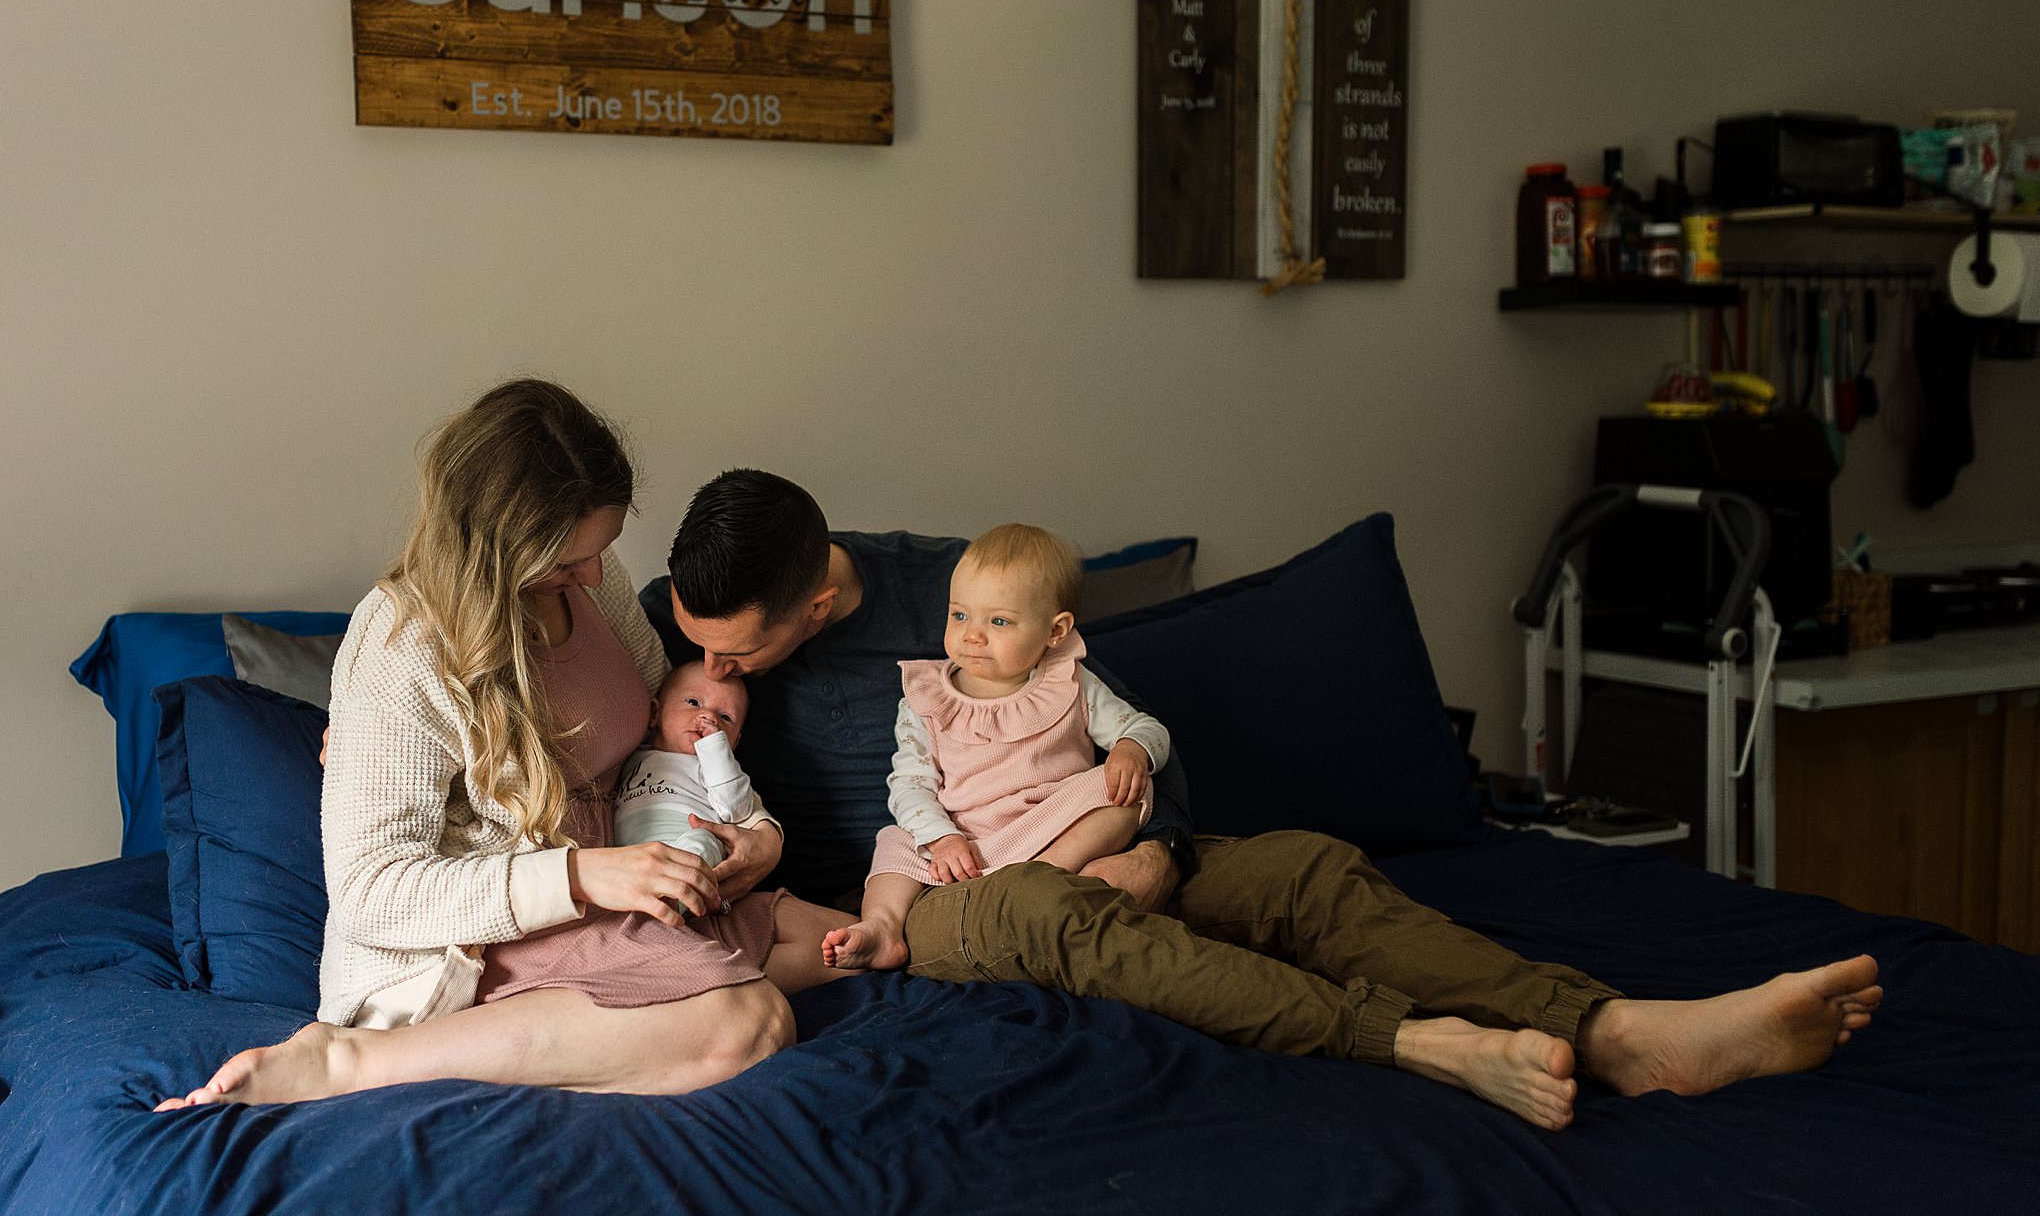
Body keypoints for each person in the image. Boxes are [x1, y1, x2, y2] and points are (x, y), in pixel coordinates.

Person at [646, 469, 1884, 1132]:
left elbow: (1126, 736)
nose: (714, 669)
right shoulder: (682, 629)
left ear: (813, 599)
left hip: (1089, 834)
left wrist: (1152, 842)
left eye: (739, 651)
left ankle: (1615, 1029)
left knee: (1301, 867)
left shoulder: (968, 592)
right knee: (1063, 914)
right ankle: (1416, 1042)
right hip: (935, 894)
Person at [155, 382, 856, 1111]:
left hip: (626, 878)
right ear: (497, 546)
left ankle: (646, 999)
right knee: (750, 1024)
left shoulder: (592, 580)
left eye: (601, 550)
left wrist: (760, 836)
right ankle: (352, 1063)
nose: (592, 576)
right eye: (564, 563)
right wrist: (581, 876)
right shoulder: (400, 643)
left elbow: (669, 724)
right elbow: (371, 895)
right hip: (492, 934)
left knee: (853, 941)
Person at [822, 524, 1171, 971]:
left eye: (999, 621)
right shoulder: (926, 698)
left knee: (1124, 792)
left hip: (1045, 826)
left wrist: (1131, 749)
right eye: (959, 615)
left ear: (1055, 631)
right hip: (961, 837)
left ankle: (1046, 874)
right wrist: (942, 836)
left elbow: (1148, 728)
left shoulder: (1070, 683)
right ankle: (882, 928)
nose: (972, 635)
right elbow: (909, 785)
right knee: (895, 840)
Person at [612, 660, 761, 877]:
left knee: (703, 842)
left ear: (734, 743)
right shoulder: (633, 754)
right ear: (655, 713)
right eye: (693, 702)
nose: (709, 717)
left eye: (725, 717)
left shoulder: (715, 769)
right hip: (630, 854)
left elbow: (737, 807)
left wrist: (715, 750)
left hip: (684, 844)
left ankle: (676, 900)